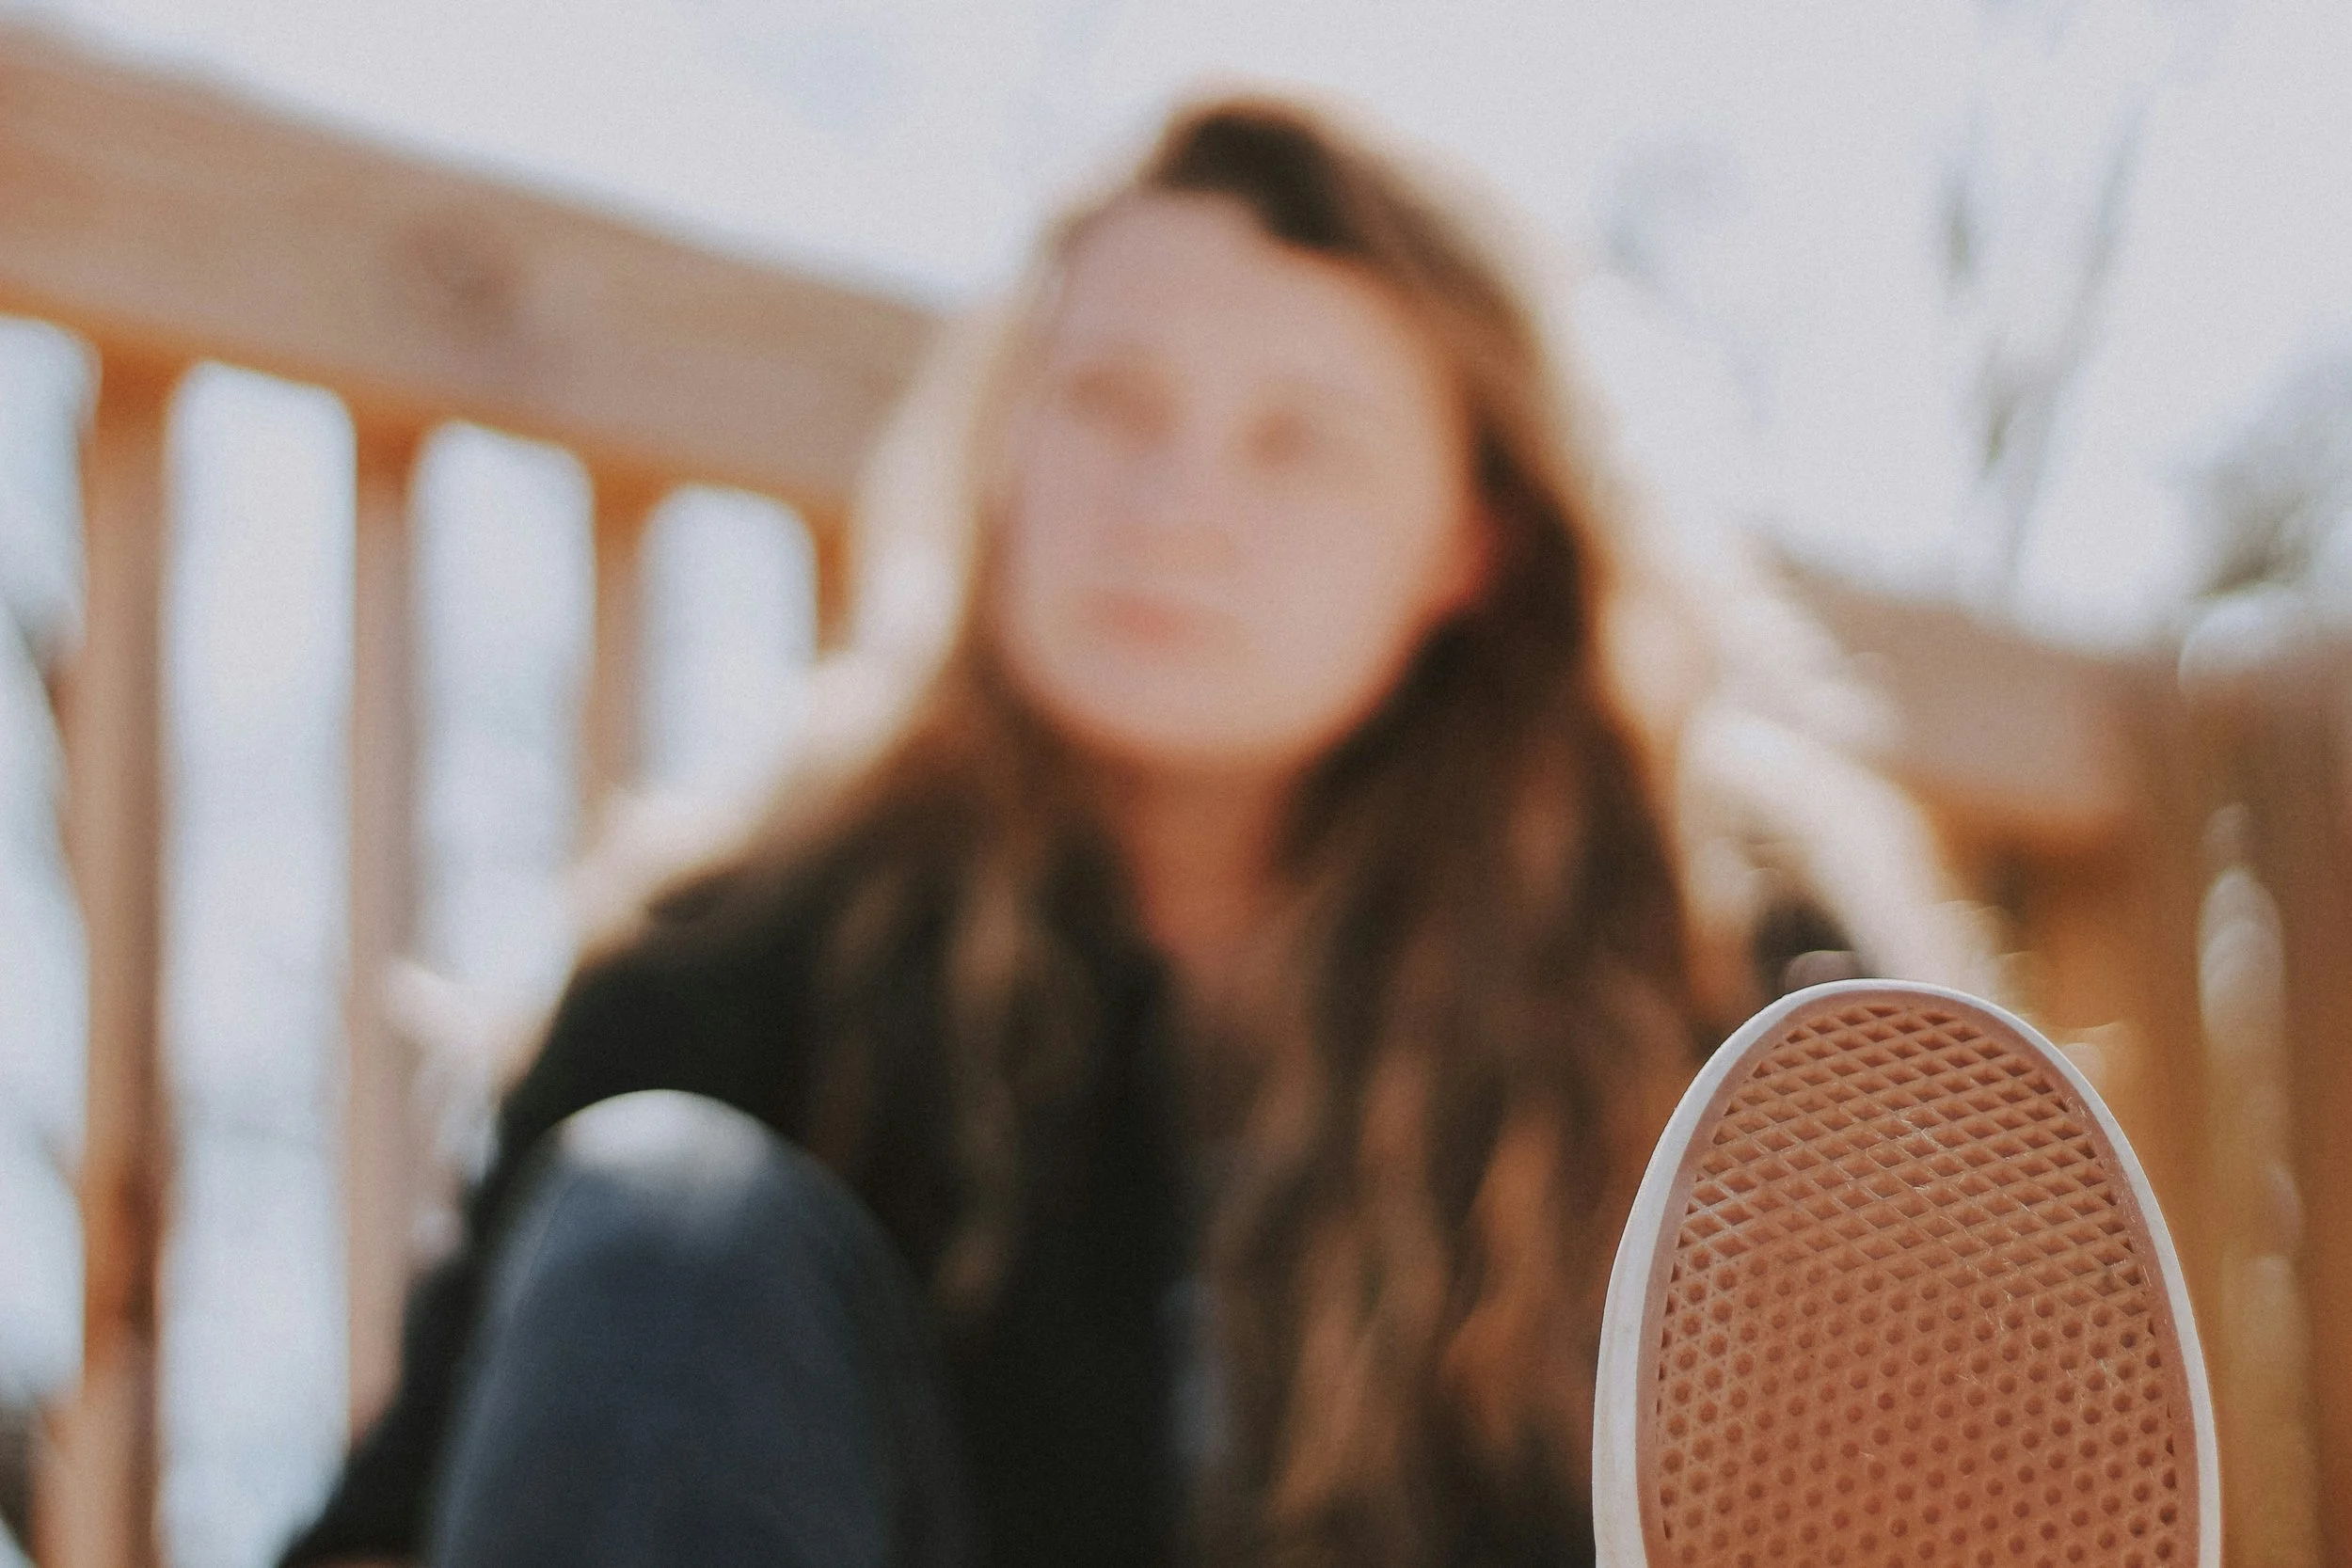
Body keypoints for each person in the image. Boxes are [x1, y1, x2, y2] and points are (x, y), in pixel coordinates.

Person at [282, 97, 1953, 1568]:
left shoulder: (1719, 967)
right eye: (1107, 401)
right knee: (670, 1223)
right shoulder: (736, 956)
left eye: (1299, 440)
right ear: (1007, 450)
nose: (1174, 508)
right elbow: (396, 1526)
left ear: (1476, 536)